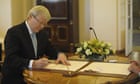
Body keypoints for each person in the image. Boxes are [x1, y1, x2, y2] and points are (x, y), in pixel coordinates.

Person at [1, 5, 70, 84]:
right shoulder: (14, 32)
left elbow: (50, 48)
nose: (42, 27)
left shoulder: (42, 34)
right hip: (16, 77)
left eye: (44, 24)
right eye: (40, 23)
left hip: (35, 75)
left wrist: (59, 54)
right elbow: (11, 59)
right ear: (30, 17)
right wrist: (32, 63)